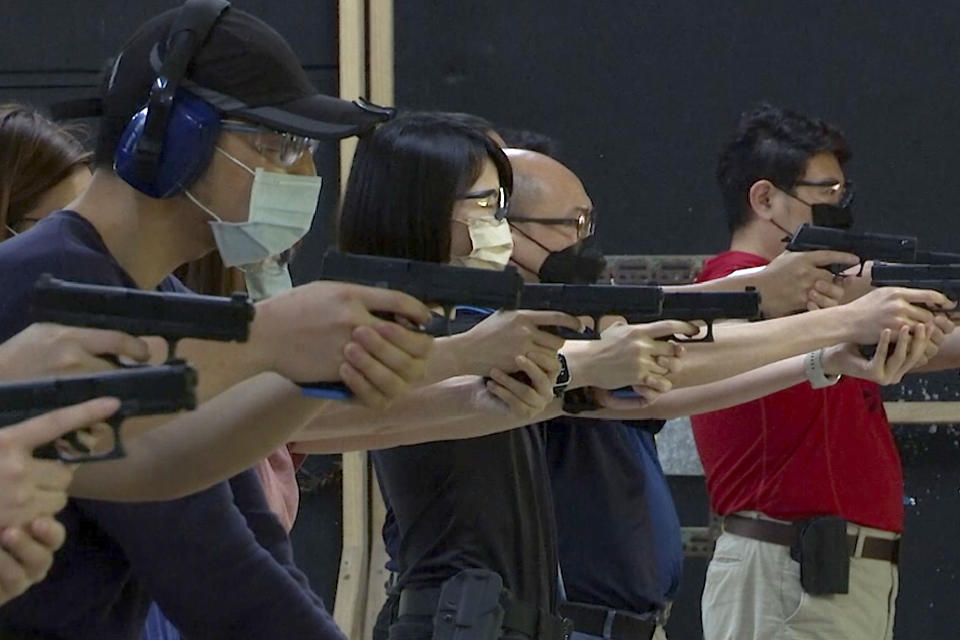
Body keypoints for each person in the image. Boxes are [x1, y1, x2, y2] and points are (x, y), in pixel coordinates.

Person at [0, 2, 441, 637]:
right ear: (172, 135)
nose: (304, 172)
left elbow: (211, 502)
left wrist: (305, 368)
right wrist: (272, 342)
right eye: (278, 143)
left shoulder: (160, 295)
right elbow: (212, 567)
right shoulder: (43, 285)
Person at [690, 103, 924, 640]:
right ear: (765, 199)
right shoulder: (736, 287)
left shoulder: (816, 299)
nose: (838, 210)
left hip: (827, 571)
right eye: (824, 194)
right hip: (790, 567)